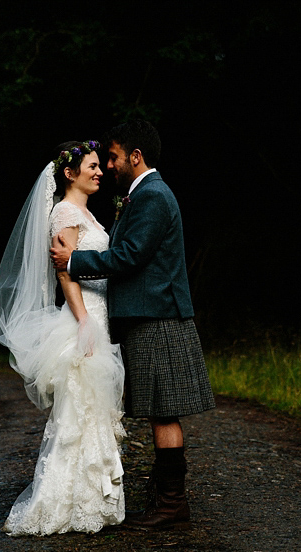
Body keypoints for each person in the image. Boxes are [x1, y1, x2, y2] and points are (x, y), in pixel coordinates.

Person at [51, 120, 215, 531]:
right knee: (160, 410)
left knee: (164, 411)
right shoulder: (141, 195)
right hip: (149, 316)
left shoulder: (153, 196)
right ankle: (166, 499)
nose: (109, 165)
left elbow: (130, 256)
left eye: (114, 156)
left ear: (135, 157)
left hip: (159, 318)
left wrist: (74, 262)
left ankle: (172, 505)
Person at [0, 140, 126, 536]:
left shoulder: (86, 213)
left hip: (98, 316)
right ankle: (60, 504)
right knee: (78, 412)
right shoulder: (66, 212)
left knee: (95, 409)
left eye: (101, 165)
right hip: (84, 317)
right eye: (92, 165)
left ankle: (94, 503)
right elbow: (64, 273)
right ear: (70, 173)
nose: (100, 171)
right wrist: (84, 320)